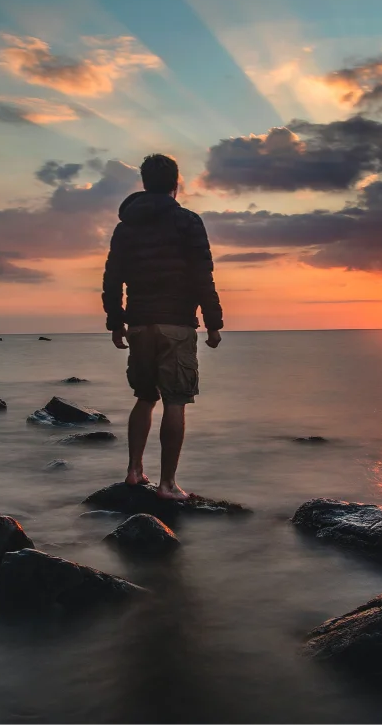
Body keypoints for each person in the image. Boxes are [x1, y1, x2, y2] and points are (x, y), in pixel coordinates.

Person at [101, 154, 223, 501]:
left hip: (139, 324)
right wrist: (213, 323)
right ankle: (167, 485)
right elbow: (203, 274)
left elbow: (113, 277)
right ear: (175, 183)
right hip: (176, 324)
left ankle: (134, 471)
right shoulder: (188, 222)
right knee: (175, 401)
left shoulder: (126, 227)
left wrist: (116, 321)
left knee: (144, 397)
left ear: (144, 183)